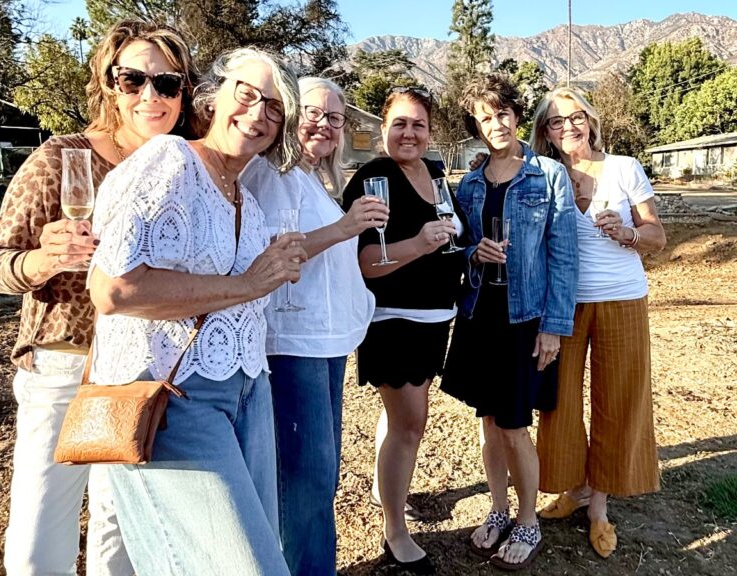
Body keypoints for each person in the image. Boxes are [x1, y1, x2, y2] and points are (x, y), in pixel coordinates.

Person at [0, 19, 201, 576]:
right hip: (64, 365)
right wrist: (44, 259)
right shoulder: (62, 157)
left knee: (117, 534)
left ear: (183, 93)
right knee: (38, 540)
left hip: (142, 371)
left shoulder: (186, 167)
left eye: (168, 83)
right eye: (133, 80)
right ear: (108, 83)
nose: (151, 95)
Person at [88, 47, 306, 575]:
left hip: (250, 391)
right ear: (213, 98)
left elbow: (241, 292)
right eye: (246, 95)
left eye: (274, 108)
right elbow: (113, 289)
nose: (257, 114)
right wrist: (248, 283)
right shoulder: (170, 160)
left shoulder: (247, 200)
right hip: (177, 397)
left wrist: (268, 278)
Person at [241, 77, 388, 576]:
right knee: (305, 475)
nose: (323, 124)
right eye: (313, 113)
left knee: (321, 471)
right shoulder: (269, 173)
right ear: (288, 114)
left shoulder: (320, 178)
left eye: (335, 117)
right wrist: (346, 227)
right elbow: (276, 253)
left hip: (324, 341)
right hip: (291, 341)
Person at [440, 73, 579, 571]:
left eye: (502, 113)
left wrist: (554, 326)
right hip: (480, 315)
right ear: (476, 126)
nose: (495, 124)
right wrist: (473, 253)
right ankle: (498, 509)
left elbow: (564, 255)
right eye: (484, 117)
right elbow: (455, 247)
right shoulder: (471, 183)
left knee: (516, 425)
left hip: (526, 318)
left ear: (517, 115)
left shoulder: (548, 175)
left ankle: (527, 521)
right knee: (488, 422)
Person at [529, 86, 666, 558]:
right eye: (555, 121)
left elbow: (657, 235)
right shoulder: (543, 174)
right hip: (562, 305)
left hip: (622, 299)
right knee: (558, 401)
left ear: (589, 120)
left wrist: (628, 233)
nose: (568, 127)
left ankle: (599, 507)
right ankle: (573, 488)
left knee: (617, 401)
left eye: (575, 117)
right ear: (545, 132)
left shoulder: (624, 167)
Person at [341, 87, 465, 575]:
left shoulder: (436, 173)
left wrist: (468, 250)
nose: (409, 133)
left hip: (436, 319)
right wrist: (417, 243)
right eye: (399, 124)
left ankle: (382, 489)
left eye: (418, 124)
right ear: (383, 130)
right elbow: (367, 262)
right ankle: (395, 530)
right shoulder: (374, 179)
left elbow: (450, 234)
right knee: (410, 423)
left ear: (430, 131)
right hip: (395, 321)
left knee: (398, 419)